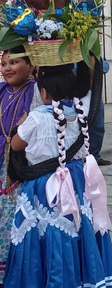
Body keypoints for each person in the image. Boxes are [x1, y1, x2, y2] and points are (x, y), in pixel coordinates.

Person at [5, 64, 112, 288]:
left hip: (44, 182)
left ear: (44, 92)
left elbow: (17, 145)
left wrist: (19, 127)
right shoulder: (79, 114)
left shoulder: (37, 118)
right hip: (76, 180)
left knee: (49, 230)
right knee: (78, 226)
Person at [0, 46, 36, 277]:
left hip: (22, 166)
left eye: (13, 62)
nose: (7, 68)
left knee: (15, 217)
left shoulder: (36, 93)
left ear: (31, 65)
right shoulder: (2, 90)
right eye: (4, 64)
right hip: (2, 162)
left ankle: (15, 269)